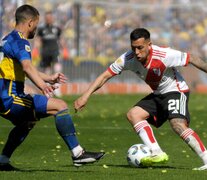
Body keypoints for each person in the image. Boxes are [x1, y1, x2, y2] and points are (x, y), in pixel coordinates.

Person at [74, 28, 207, 170]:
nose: (136, 52)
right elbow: (105, 76)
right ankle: (157, 152)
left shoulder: (164, 55)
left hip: (176, 90)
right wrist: (85, 95)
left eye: (140, 48)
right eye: (133, 48)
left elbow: (192, 58)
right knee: (133, 114)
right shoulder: (127, 59)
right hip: (158, 94)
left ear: (149, 44)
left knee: (177, 125)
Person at [0, 4, 104, 171]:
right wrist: (42, 86)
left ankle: (3, 160)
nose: (36, 28)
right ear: (30, 22)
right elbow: (27, 67)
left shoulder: (7, 38)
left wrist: (48, 78)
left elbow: (21, 69)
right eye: (36, 24)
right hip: (9, 98)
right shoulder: (21, 42)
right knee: (60, 106)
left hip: (4, 96)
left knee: (27, 122)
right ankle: (78, 154)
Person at [36, 11, 63, 96]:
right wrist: (36, 49)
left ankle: (57, 87)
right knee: (47, 70)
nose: (48, 19)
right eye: (47, 18)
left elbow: (60, 39)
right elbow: (38, 40)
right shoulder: (41, 29)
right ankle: (48, 90)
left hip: (55, 51)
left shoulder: (57, 28)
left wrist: (62, 48)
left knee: (57, 68)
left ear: (52, 18)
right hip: (45, 52)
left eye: (50, 17)